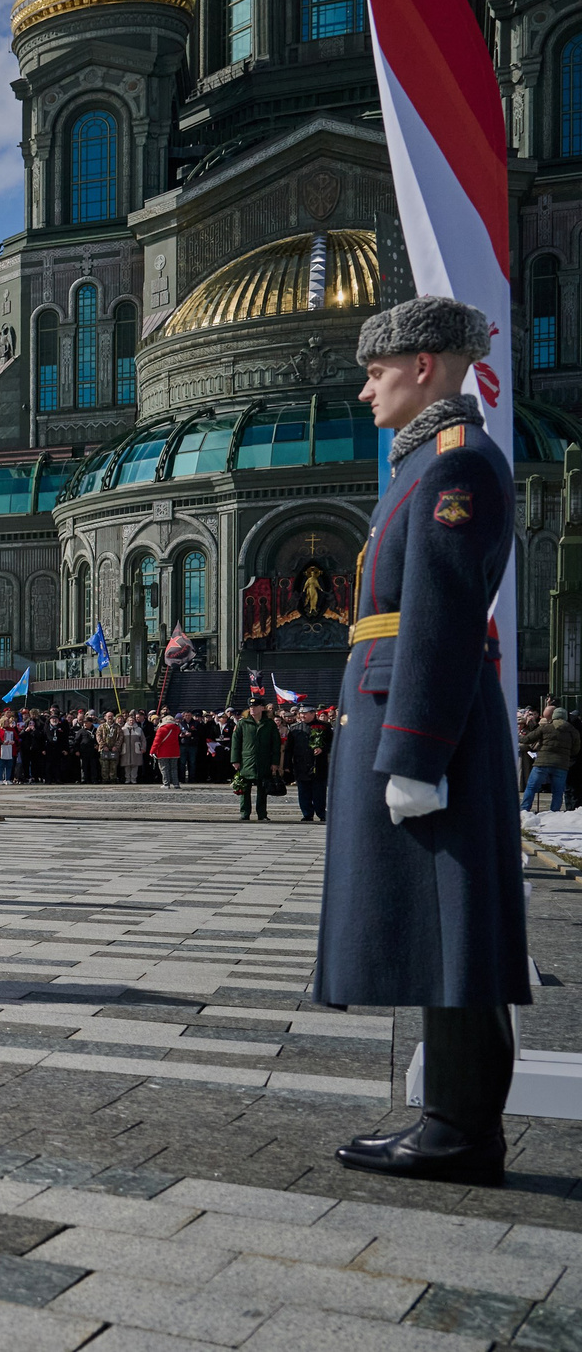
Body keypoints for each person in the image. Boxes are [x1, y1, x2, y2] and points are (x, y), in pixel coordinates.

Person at [321, 296, 528, 1186]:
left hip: (425, 722)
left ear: (427, 365)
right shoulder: (426, 465)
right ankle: (450, 1118)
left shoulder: (458, 466)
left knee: (457, 933)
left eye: (377, 372)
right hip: (408, 710)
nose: (367, 390)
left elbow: (440, 617)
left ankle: (460, 1128)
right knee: (444, 933)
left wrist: (413, 750)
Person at [524, 706, 575, 813]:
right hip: (561, 764)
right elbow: (576, 749)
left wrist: (518, 737)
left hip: (542, 762)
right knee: (558, 792)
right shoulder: (573, 731)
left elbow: (528, 739)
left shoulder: (546, 727)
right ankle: (554, 813)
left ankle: (524, 810)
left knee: (531, 787)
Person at [232, 703, 275, 822]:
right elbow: (236, 743)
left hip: (264, 761)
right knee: (244, 788)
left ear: (262, 708)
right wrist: (235, 760)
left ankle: (262, 813)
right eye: (251, 707)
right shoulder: (243, 723)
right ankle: (245, 813)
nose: (252, 709)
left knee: (263, 789)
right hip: (246, 761)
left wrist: (275, 763)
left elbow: (275, 744)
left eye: (255, 706)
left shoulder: (269, 724)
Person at [150, 713, 184, 789]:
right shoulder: (176, 728)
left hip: (163, 752)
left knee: (164, 768)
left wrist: (152, 751)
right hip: (174, 751)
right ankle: (176, 783)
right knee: (174, 768)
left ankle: (166, 784)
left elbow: (156, 742)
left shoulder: (161, 729)